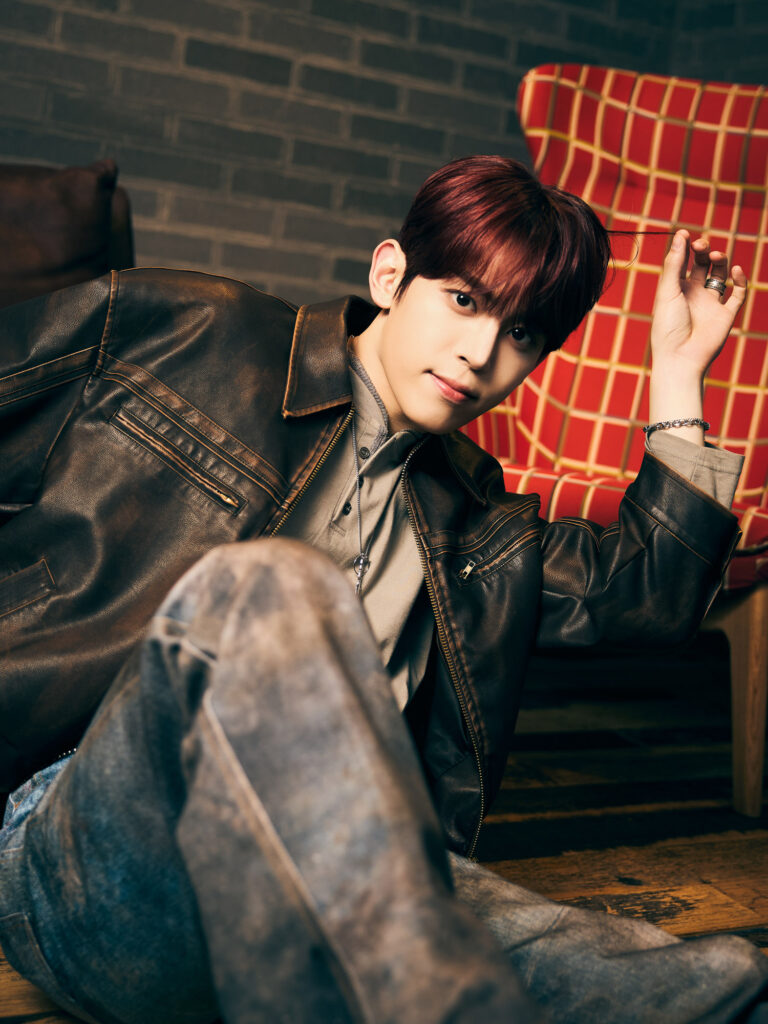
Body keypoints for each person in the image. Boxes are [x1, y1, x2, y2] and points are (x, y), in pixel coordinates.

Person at [0, 155, 764, 1023]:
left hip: (343, 871)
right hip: (77, 851)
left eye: (521, 334)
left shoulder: (477, 525)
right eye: (465, 300)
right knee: (270, 590)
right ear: (391, 275)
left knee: (718, 982)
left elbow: (652, 594)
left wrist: (679, 370)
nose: (481, 354)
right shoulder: (194, 331)